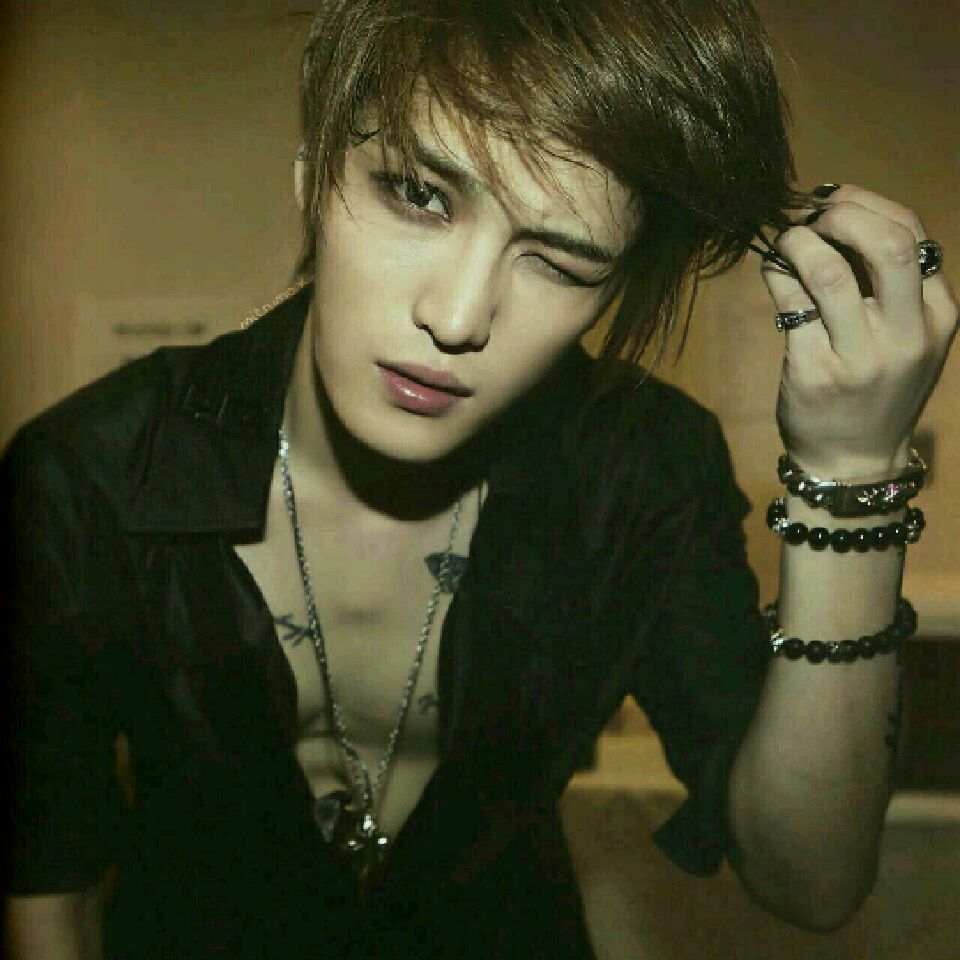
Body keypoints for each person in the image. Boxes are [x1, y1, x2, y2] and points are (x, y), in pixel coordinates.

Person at [3, 0, 956, 957]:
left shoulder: (643, 470)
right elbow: (48, 888)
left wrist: (853, 469)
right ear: (312, 175)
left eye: (561, 262)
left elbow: (809, 880)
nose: (457, 318)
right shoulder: (91, 472)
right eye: (419, 195)